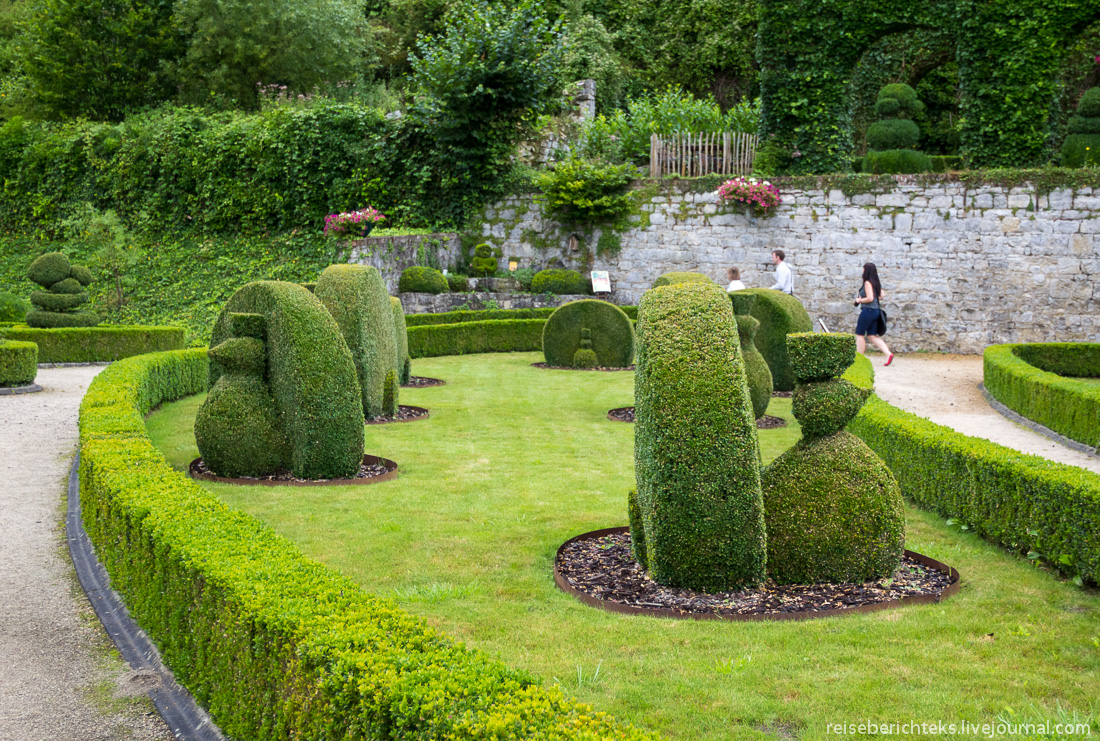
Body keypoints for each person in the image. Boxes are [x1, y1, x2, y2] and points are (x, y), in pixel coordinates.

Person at [854, 262, 894, 366]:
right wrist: (873, 299)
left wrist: (860, 300)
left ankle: (859, 358)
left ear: (866, 271)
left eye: (863, 269)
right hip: (876, 311)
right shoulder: (875, 282)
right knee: (872, 335)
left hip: (868, 311)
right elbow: (882, 295)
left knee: (860, 334)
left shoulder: (867, 283)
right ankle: (888, 354)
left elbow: (870, 298)